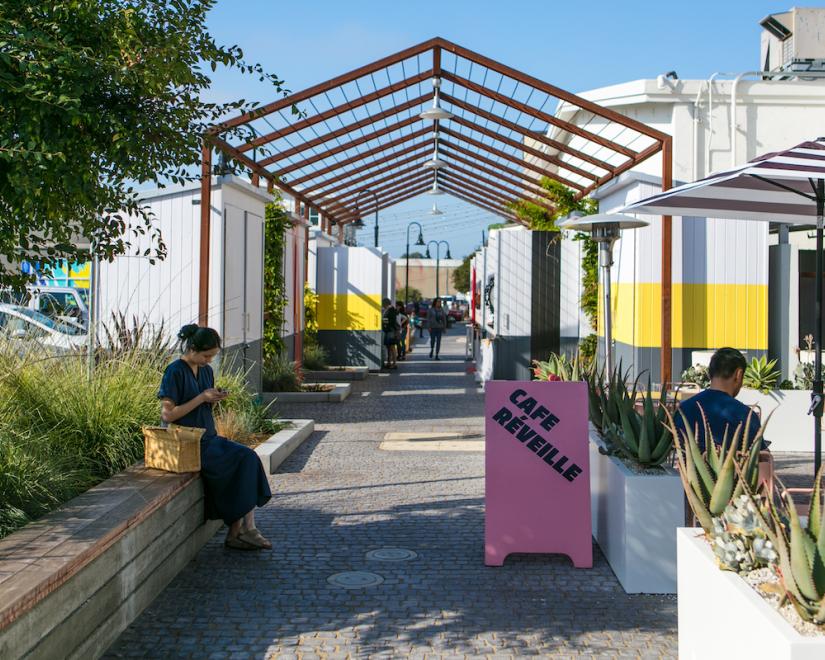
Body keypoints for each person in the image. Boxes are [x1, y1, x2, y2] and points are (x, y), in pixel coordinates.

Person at [158, 324, 272, 551]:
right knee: (242, 460)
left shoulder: (206, 371)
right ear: (192, 348)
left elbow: (202, 401)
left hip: (209, 438)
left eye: (212, 356)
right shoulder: (175, 371)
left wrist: (214, 397)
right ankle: (242, 531)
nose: (209, 360)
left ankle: (244, 529)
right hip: (189, 443)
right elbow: (168, 414)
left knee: (248, 458)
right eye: (206, 355)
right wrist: (201, 397)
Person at [674, 347, 765, 451]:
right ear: (738, 375)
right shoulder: (746, 415)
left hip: (687, 467)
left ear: (710, 373)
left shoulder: (683, 409)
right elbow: (762, 460)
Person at [381, 298, 399, 369]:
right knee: (389, 347)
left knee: (392, 347)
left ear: (385, 304)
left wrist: (384, 323)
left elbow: (390, 321)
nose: (382, 306)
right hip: (388, 331)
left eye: (383, 304)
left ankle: (394, 363)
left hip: (390, 331)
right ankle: (389, 362)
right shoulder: (389, 310)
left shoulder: (391, 310)